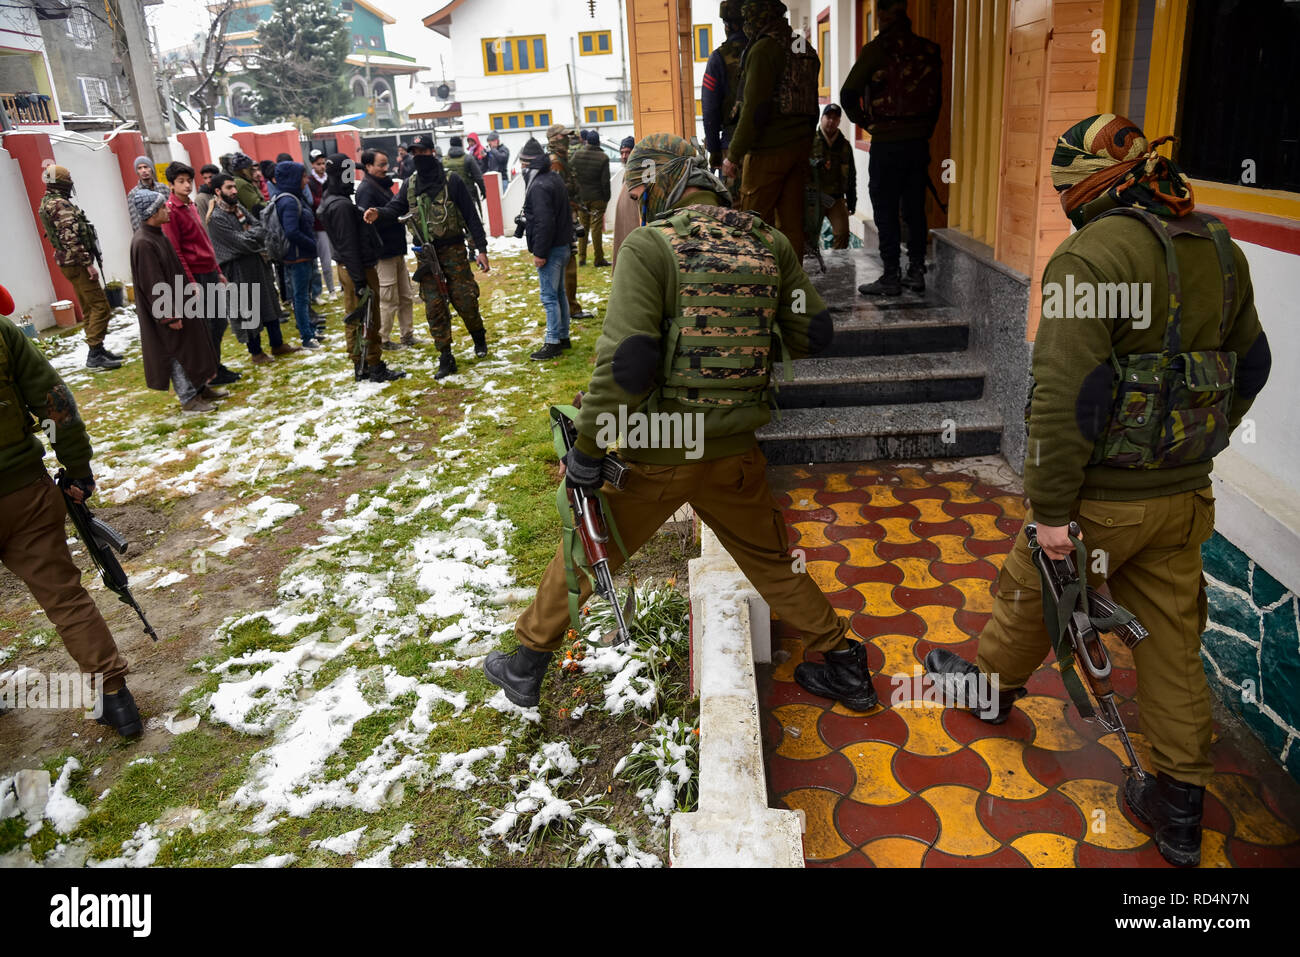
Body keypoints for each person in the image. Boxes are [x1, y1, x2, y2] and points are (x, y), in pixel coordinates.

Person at [925, 114, 1273, 868]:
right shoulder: (1218, 246)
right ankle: (1180, 805)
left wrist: (1051, 513)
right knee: (1176, 641)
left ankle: (990, 689)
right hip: (1183, 500)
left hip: (1103, 501)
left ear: (1087, 188)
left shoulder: (1090, 260)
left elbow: (1062, 398)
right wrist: (1201, 441)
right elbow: (1254, 364)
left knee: (1031, 586)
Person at [484, 133, 876, 713]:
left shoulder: (652, 246)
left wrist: (589, 450)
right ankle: (846, 662)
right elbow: (813, 333)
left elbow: (630, 362)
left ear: (663, 184)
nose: (638, 202)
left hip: (664, 446)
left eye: (640, 190)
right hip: (737, 451)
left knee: (592, 546)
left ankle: (526, 660)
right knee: (771, 563)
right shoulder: (768, 240)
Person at [0, 282, 143, 737]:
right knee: (65, 597)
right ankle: (116, 697)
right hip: (23, 493)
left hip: (22, 487)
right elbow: (54, 405)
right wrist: (77, 467)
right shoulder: (4, 331)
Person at [363, 134, 491, 381]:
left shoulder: (451, 181)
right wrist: (378, 213)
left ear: (433, 152)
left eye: (423, 152)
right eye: (415, 153)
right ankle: (446, 356)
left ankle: (479, 337)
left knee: (465, 300)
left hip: (453, 251)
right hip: (426, 256)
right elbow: (395, 208)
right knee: (434, 307)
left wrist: (482, 249)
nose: (419, 157)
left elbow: (471, 217)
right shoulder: (410, 184)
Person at [841, 0, 942, 295]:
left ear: (885, 14)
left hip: (886, 143)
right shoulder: (929, 49)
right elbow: (937, 101)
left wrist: (866, 124)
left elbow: (848, 93)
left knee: (885, 208)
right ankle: (916, 271)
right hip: (918, 143)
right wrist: (925, 131)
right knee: (914, 207)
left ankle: (891, 276)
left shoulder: (876, 50)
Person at [725, 0, 821, 258]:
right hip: (799, 150)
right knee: (791, 226)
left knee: (753, 225)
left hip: (767, 152)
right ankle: (792, 287)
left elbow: (754, 109)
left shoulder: (764, 49)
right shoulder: (804, 48)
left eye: (747, 20)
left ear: (755, 18)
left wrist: (733, 155)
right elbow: (813, 105)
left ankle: (759, 287)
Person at [128, 188, 222, 413]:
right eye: (161, 207)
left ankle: (200, 387)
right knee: (179, 353)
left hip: (182, 303)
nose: (166, 209)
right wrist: (168, 315)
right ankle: (188, 398)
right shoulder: (144, 243)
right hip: (170, 311)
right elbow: (153, 282)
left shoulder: (157, 234)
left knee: (193, 347)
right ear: (151, 213)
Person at [317, 153, 406, 383]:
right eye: (348, 173)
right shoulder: (341, 205)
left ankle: (361, 362)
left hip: (350, 266)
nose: (352, 177)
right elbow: (349, 246)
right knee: (368, 317)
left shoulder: (332, 198)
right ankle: (373, 365)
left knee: (355, 316)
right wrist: (359, 282)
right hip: (358, 268)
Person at [204, 173, 300, 366]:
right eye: (229, 188)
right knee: (247, 310)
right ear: (217, 191)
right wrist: (251, 236)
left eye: (234, 187)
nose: (234, 191)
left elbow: (260, 227)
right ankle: (256, 352)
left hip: (256, 264)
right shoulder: (216, 217)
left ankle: (277, 344)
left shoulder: (237, 208)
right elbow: (241, 243)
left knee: (269, 303)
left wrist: (252, 234)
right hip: (237, 269)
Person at [161, 161, 240, 387]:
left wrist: (217, 270)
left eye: (188, 181)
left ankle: (215, 366)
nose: (186, 186)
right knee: (205, 327)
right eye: (181, 182)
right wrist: (191, 281)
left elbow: (205, 241)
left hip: (209, 270)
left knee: (219, 323)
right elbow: (176, 250)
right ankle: (208, 371)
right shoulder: (172, 210)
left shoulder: (191, 206)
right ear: (172, 184)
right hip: (196, 276)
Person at [36, 165, 122, 371]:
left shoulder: (47, 202)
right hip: (77, 263)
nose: (71, 183)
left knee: (89, 307)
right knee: (100, 307)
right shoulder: (60, 205)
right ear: (62, 183)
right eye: (68, 180)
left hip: (68, 262)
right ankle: (94, 353)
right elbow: (70, 238)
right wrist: (88, 264)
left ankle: (98, 350)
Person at [355, 148, 417, 350]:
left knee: (405, 295)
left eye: (386, 163)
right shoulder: (366, 190)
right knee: (388, 298)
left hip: (396, 249)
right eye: (381, 165)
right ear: (368, 166)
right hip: (383, 253)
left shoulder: (382, 185)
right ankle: (384, 339)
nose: (386, 168)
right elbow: (367, 224)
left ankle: (407, 334)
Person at [521, 137, 573, 360]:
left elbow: (544, 222)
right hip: (562, 245)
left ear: (529, 164)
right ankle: (563, 336)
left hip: (550, 249)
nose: (521, 168)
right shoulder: (553, 178)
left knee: (549, 296)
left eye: (523, 164)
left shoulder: (539, 186)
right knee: (559, 293)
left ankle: (553, 341)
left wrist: (540, 253)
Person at [271, 160, 321, 349]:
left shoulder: (291, 197)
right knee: (300, 298)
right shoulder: (289, 201)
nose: (306, 180)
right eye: (302, 176)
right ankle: (307, 336)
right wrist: (311, 244)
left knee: (304, 296)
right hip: (297, 256)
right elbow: (291, 231)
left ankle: (310, 328)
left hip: (301, 255)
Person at [546, 124, 592, 320]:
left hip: (566, 216)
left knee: (567, 263)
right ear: (554, 139)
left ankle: (568, 306)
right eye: (563, 136)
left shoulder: (561, 159)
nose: (567, 140)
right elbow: (558, 193)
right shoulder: (555, 162)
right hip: (562, 220)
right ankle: (570, 307)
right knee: (568, 264)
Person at [701, 0, 748, 188]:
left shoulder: (719, 58)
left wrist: (714, 151)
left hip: (733, 145)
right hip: (768, 144)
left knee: (735, 210)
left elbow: (710, 108)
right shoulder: (765, 50)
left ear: (728, 25)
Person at [810, 104, 856, 250]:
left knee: (842, 233)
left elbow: (851, 175)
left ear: (839, 121)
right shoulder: (811, 142)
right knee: (809, 236)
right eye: (828, 117)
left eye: (835, 118)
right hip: (814, 198)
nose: (831, 121)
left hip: (836, 198)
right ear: (822, 118)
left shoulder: (845, 146)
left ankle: (837, 266)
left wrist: (852, 200)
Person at [570, 129, 612, 267]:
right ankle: (598, 258)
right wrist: (607, 197)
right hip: (598, 198)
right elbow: (605, 181)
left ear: (586, 141)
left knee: (583, 227)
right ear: (598, 142)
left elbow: (572, 175)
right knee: (596, 228)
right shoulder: (603, 157)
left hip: (582, 198)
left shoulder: (577, 155)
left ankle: (581, 258)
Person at [306, 149, 336, 300]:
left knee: (337, 255)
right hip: (318, 225)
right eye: (318, 164)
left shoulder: (329, 178)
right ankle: (330, 290)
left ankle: (337, 288)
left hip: (332, 222)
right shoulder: (310, 181)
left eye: (323, 163)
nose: (322, 166)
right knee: (324, 261)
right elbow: (312, 201)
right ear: (312, 164)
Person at [611, 136, 640, 268]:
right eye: (622, 153)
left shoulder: (639, 172)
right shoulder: (627, 171)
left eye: (627, 152)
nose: (624, 156)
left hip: (633, 222)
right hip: (624, 222)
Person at [126, 155, 169, 232]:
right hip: (150, 234)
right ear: (137, 172)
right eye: (139, 168)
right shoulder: (133, 194)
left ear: (151, 169)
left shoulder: (163, 188)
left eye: (146, 167)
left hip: (168, 232)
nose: (143, 170)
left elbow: (171, 211)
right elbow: (135, 221)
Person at [443, 135, 487, 210]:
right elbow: (478, 177)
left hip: (450, 196)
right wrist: (483, 191)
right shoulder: (468, 158)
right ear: (461, 145)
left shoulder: (444, 160)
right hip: (468, 195)